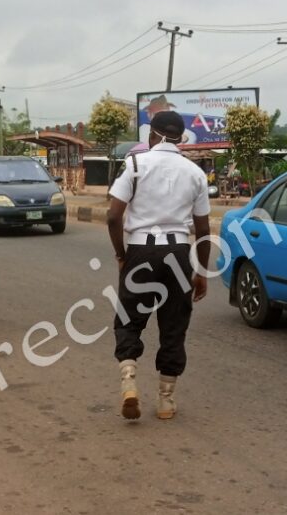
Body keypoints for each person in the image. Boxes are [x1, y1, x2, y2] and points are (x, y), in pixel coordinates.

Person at [106, 110, 211, 421]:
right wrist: (201, 272)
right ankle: (165, 401)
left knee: (128, 320)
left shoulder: (135, 165)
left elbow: (113, 216)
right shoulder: (195, 173)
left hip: (141, 251)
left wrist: (122, 255)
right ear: (181, 138)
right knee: (174, 325)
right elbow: (203, 230)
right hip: (178, 253)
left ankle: (129, 383)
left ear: (151, 136)